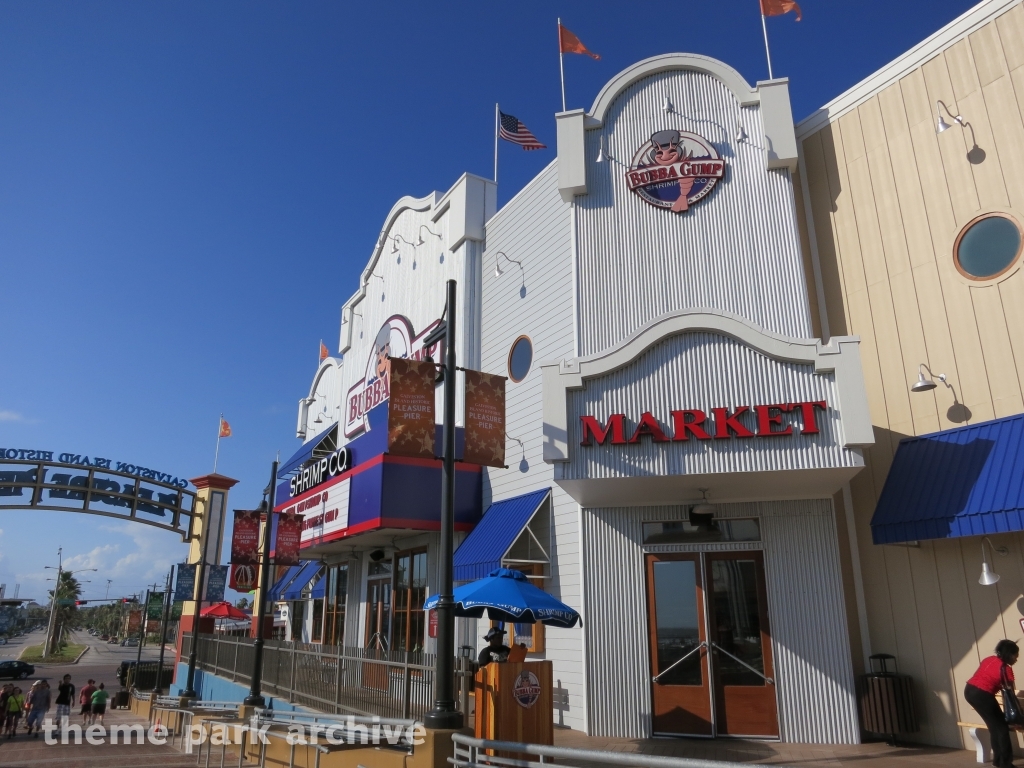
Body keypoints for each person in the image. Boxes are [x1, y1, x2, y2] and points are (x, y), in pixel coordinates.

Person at [966, 639, 1020, 768]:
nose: (1016, 659)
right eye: (1015, 656)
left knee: (994, 727)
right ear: (1009, 654)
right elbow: (1010, 694)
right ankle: (1005, 764)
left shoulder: (988, 659)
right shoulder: (1005, 669)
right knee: (1001, 728)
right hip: (982, 694)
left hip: (969, 691)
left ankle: (998, 761)